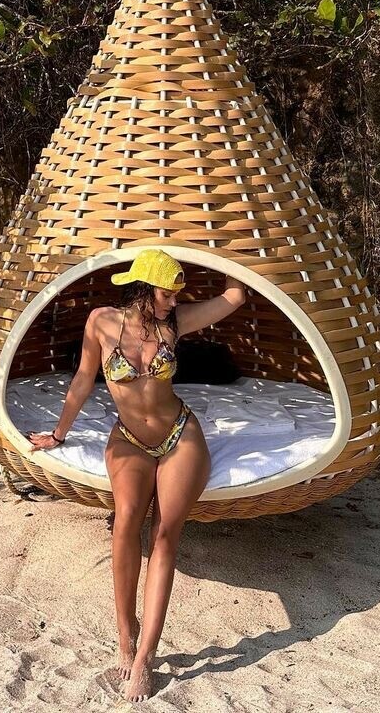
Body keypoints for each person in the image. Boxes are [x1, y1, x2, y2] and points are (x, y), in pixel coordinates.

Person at [29, 248, 247, 702]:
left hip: (179, 435)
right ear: (144, 290)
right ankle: (125, 636)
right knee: (126, 521)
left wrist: (218, 251)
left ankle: (146, 656)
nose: (174, 301)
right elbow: (83, 379)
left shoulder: (176, 322)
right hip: (129, 438)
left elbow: (235, 297)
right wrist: (58, 433)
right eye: (167, 293)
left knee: (164, 533)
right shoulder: (101, 322)